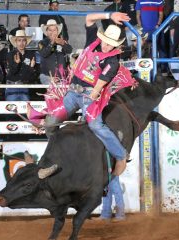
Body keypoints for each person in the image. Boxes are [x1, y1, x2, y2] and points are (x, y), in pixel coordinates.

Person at [42, 12, 133, 176]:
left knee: (95, 125)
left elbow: (100, 85)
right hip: (72, 92)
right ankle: (58, 152)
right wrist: (109, 15)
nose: (106, 46)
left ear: (115, 45)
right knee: (50, 123)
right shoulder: (93, 41)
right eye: (106, 41)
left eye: (110, 44)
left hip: (88, 95)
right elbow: (89, 18)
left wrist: (93, 94)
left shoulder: (113, 61)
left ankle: (121, 155)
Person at [39, 19, 72, 85]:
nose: (52, 32)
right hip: (47, 77)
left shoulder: (61, 41)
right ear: (46, 31)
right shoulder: (42, 43)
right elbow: (44, 54)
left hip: (62, 77)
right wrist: (52, 43)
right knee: (51, 94)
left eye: (54, 30)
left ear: (57, 31)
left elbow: (69, 50)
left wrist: (63, 44)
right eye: (50, 30)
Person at [6, 30, 36, 101]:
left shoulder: (31, 55)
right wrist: (16, 63)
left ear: (26, 42)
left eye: (23, 40)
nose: (21, 43)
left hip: (24, 86)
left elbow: (32, 76)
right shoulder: (10, 55)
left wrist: (31, 67)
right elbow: (10, 74)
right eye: (19, 40)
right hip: (12, 87)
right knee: (11, 110)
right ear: (15, 42)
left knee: (26, 110)